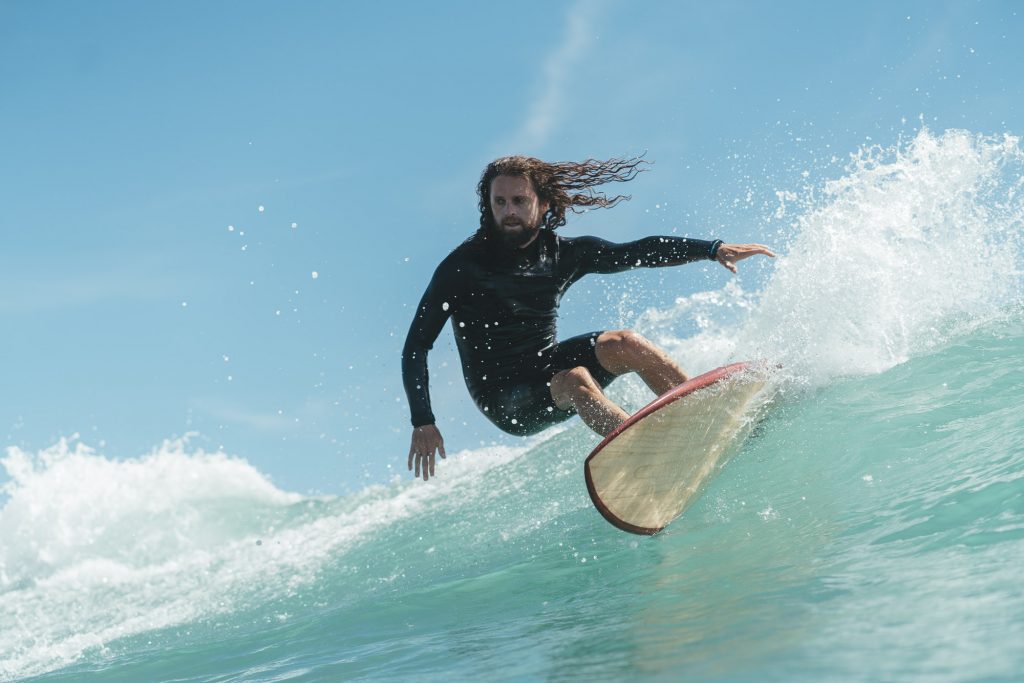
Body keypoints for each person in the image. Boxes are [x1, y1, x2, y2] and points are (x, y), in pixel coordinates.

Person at [402, 155, 774, 480]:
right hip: (503, 397)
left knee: (624, 342)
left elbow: (636, 252)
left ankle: (708, 416)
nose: (509, 212)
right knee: (577, 378)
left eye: (519, 200)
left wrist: (712, 249)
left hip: (544, 366)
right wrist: (423, 419)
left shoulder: (564, 254)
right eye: (499, 202)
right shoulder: (462, 267)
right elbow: (417, 345)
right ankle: (649, 458)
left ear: (544, 203)